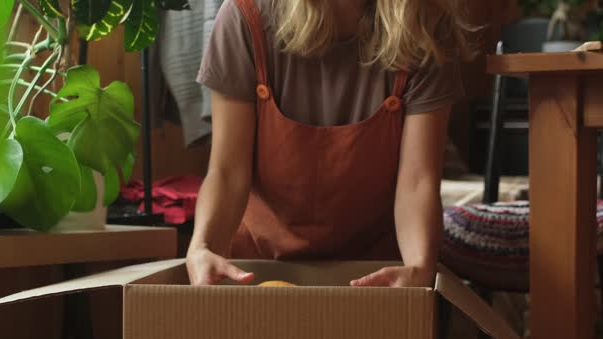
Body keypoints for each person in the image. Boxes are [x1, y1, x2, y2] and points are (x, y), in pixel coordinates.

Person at [186, 0, 474, 287]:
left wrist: (419, 268)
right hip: (258, 268)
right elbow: (227, 172)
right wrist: (202, 248)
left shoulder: (426, 26)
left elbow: (418, 181)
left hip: (377, 274)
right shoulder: (244, 18)